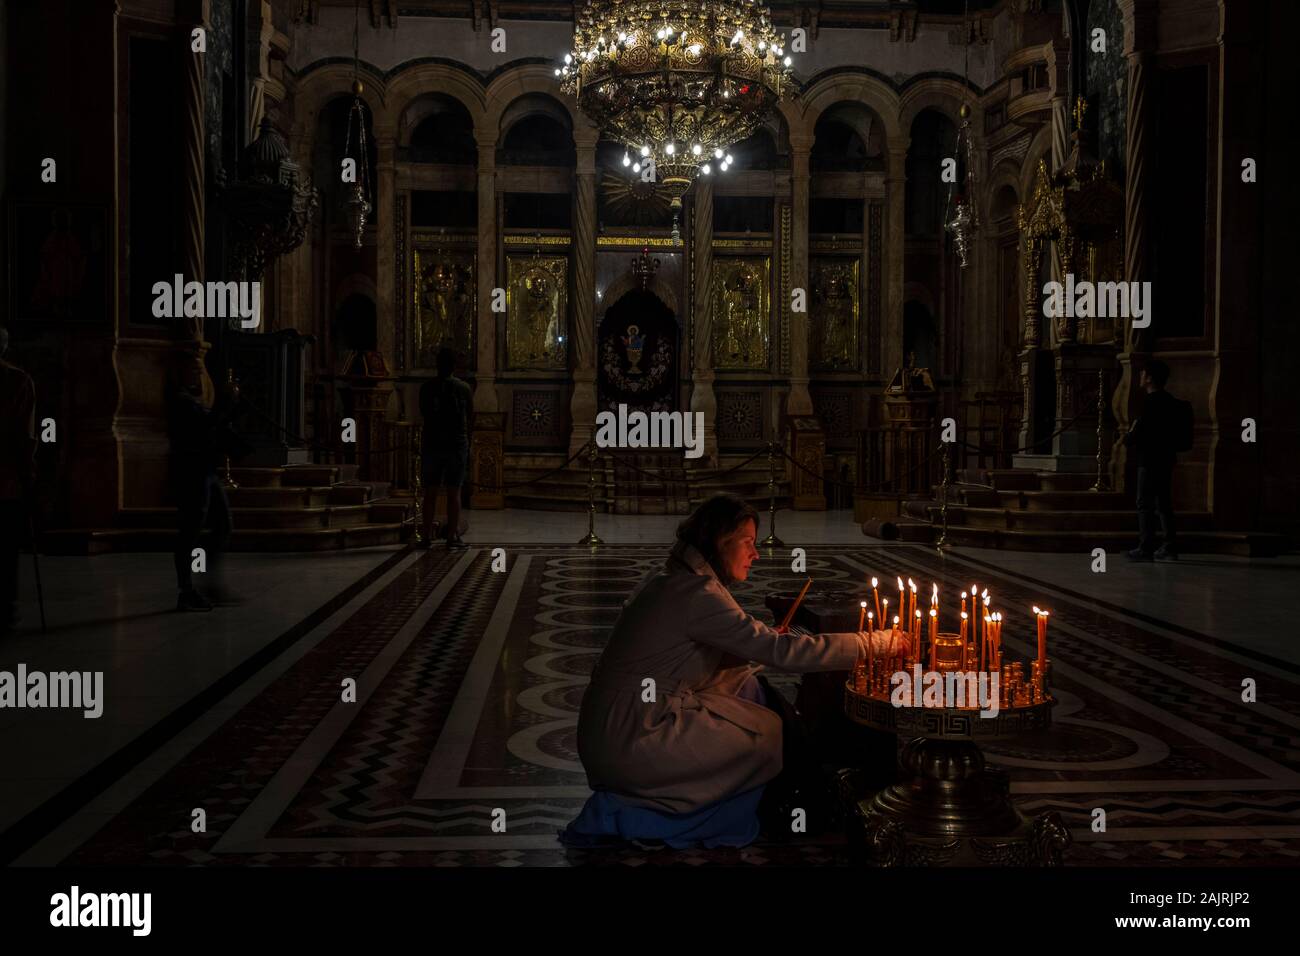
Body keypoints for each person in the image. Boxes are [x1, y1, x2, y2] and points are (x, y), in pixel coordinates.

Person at [561, 493, 903, 849]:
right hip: (633, 736)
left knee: (749, 689)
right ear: (719, 542)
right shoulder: (698, 592)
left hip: (616, 724)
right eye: (748, 543)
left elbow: (719, 649)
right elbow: (781, 653)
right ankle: (698, 815)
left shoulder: (675, 577)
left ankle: (802, 789)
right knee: (765, 732)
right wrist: (873, 643)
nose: (755, 553)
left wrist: (757, 646)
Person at [167, 355, 245, 610]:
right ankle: (186, 590)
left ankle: (210, 583)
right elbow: (203, 426)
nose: (197, 376)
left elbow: (212, 425)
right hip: (191, 472)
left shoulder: (194, 401)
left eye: (199, 370)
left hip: (207, 471)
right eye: (192, 370)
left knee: (222, 524)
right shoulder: (179, 402)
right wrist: (226, 402)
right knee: (190, 530)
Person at [0, 326, 37, 635]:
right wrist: (29, 476)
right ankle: (6, 608)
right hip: (6, 479)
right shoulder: (17, 381)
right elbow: (24, 436)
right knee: (7, 549)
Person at [1123, 359, 1180, 561]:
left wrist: (1126, 438)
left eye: (1143, 374)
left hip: (1148, 460)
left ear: (1149, 378)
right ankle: (1170, 545)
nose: (1140, 377)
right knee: (1164, 503)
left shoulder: (1148, 403)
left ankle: (1145, 547)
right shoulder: (1171, 401)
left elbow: (1137, 433)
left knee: (1144, 503)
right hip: (1166, 458)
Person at [419, 348, 473, 549]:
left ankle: (426, 536)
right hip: (456, 444)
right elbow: (470, 417)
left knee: (430, 492)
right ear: (454, 367)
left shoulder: (426, 388)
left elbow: (424, 412)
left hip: (433, 443)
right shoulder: (464, 388)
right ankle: (452, 536)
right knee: (454, 491)